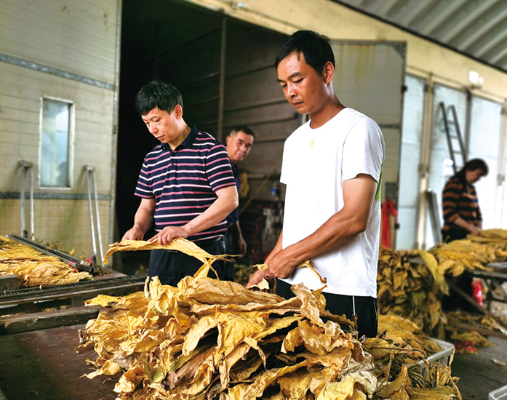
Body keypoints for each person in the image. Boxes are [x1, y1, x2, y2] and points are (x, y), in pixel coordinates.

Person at [246, 31, 385, 338]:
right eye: (284, 84)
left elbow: (354, 218)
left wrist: (291, 256)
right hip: (292, 285)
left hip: (339, 289)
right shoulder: (294, 141)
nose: (290, 92)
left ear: (327, 72)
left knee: (342, 383)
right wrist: (269, 267)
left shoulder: (359, 129)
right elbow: (295, 219)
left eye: (297, 79)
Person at [123, 81, 239, 286]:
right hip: (163, 253)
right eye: (146, 122)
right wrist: (138, 227)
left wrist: (186, 229)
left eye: (156, 120)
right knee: (161, 311)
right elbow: (147, 207)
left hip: (204, 252)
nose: (152, 129)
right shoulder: (151, 158)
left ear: (177, 111)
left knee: (208, 316)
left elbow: (229, 200)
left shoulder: (211, 149)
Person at [224, 126, 255, 260]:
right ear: (228, 140)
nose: (243, 149)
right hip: (212, 234)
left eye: (248, 146)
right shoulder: (217, 165)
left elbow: (232, 208)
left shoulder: (235, 169)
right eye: (240, 143)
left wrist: (238, 235)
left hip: (228, 231)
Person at [441, 159, 489, 243]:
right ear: (469, 170)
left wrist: (479, 229)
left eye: (480, 176)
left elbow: (477, 211)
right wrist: (470, 227)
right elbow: (449, 212)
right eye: (477, 174)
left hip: (469, 233)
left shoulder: (471, 188)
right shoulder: (454, 184)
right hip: (454, 232)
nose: (478, 178)